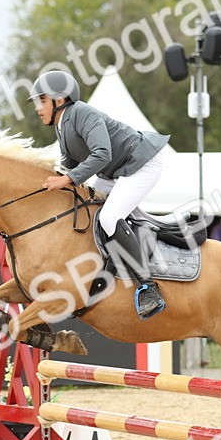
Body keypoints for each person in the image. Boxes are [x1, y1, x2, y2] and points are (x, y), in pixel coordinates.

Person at [31, 70, 171, 319]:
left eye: (42, 101)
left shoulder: (82, 113)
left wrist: (67, 179)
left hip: (140, 163)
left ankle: (148, 287)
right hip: (115, 172)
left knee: (108, 218)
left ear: (59, 100)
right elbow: (69, 165)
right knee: (90, 208)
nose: (37, 108)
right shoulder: (62, 126)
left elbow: (101, 154)